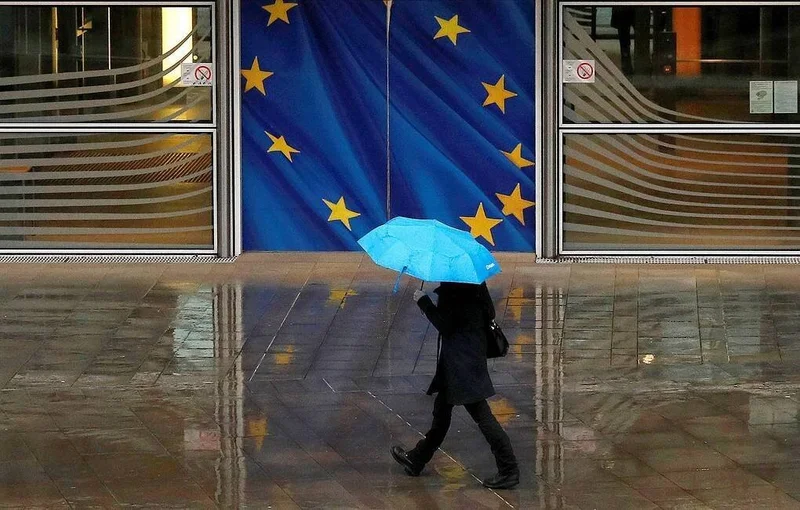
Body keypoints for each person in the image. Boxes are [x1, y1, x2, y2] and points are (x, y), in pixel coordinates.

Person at [390, 282, 519, 490]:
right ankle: (417, 459)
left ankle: (509, 469)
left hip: (460, 364)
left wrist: (423, 302)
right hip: (470, 355)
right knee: (441, 414)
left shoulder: (452, 289)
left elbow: (445, 325)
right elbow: (489, 311)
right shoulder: (476, 283)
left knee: (482, 416)